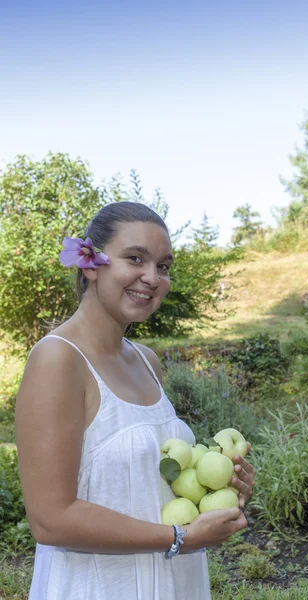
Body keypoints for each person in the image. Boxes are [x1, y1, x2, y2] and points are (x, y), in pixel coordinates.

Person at [15, 202, 256, 600]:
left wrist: (218, 490)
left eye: (163, 266)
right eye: (135, 258)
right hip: (101, 587)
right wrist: (179, 537)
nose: (152, 277)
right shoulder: (58, 360)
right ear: (91, 264)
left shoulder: (146, 360)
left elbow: (149, 483)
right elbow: (49, 520)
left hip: (175, 582)